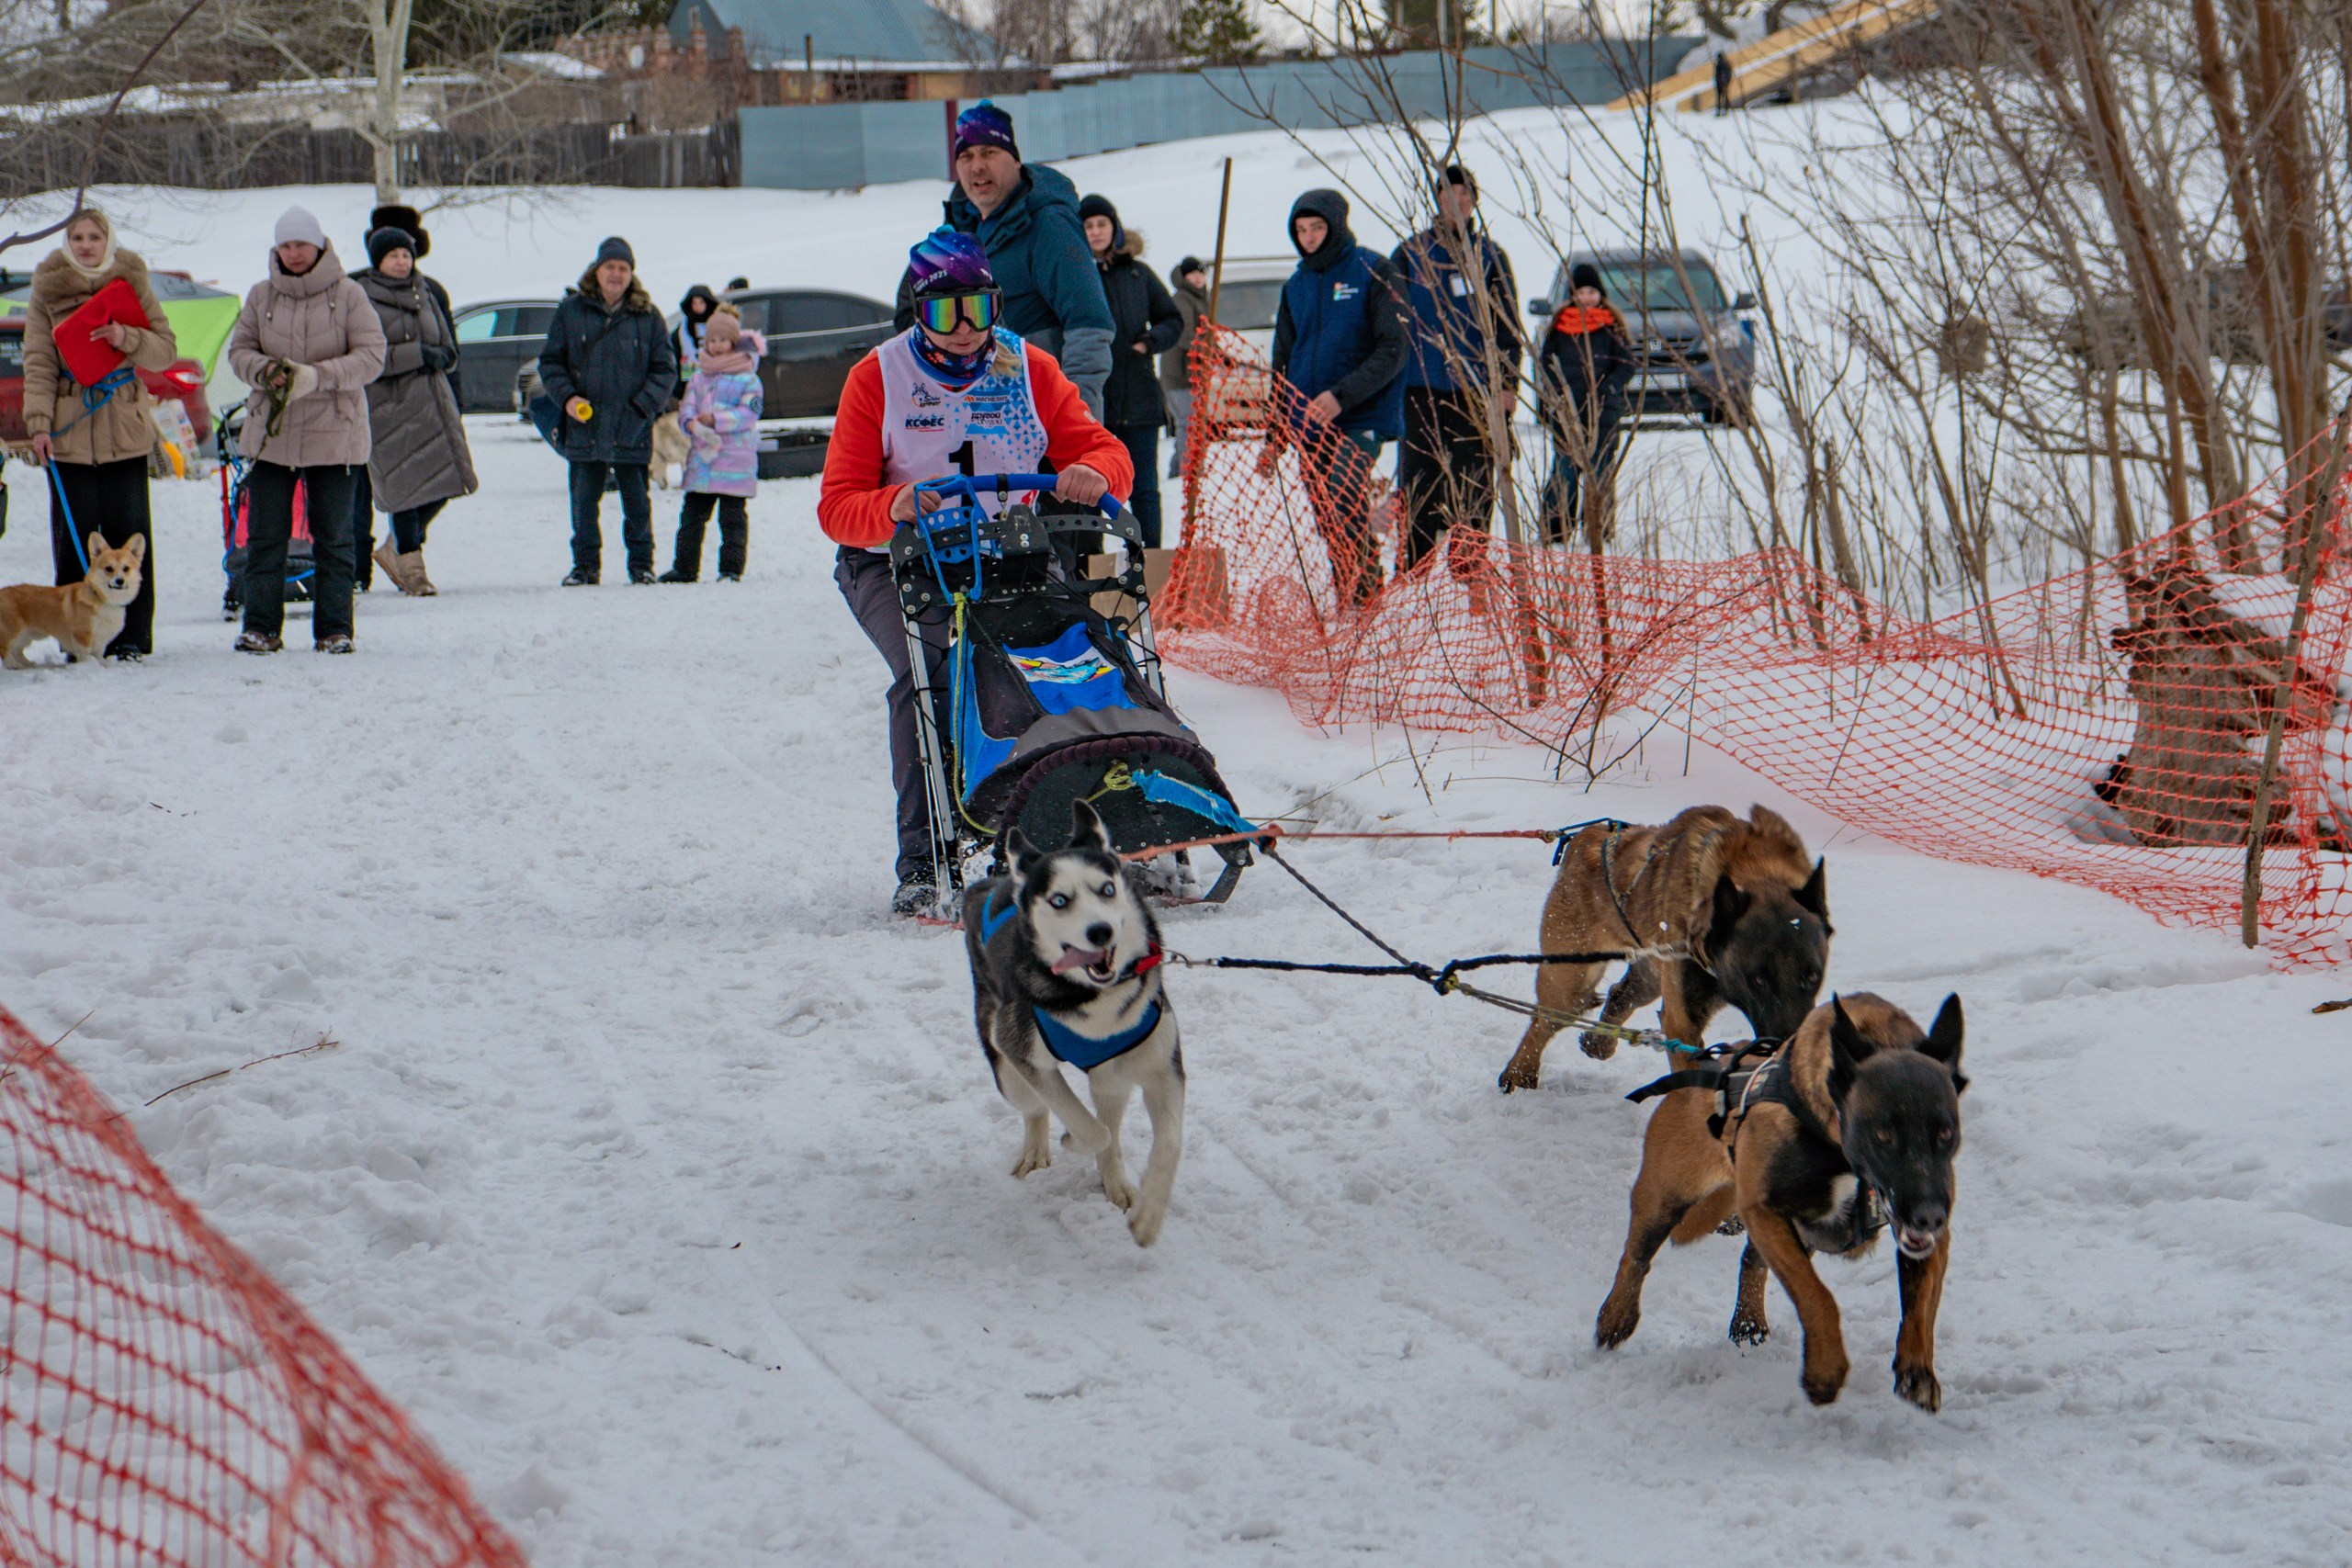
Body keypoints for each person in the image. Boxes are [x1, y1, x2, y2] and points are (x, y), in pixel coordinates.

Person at [821, 230, 1133, 918]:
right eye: (943, 313)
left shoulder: (1028, 366)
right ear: (917, 312)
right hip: (897, 559)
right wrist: (892, 504)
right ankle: (925, 857)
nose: (964, 330)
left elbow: (1106, 452)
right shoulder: (877, 376)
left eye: (978, 308)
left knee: (1079, 653)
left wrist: (1093, 472)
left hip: (1008, 547)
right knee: (927, 670)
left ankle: (1115, 822)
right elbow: (837, 506)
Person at [226, 205, 386, 654]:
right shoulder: (261, 296)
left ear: (318, 246)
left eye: (301, 244)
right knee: (264, 537)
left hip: (334, 433)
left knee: (335, 537)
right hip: (272, 436)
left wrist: (317, 376)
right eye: (286, 244)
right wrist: (265, 371)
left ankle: (335, 629)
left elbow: (372, 356)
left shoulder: (350, 294)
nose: (294, 253)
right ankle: (260, 627)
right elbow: (238, 352)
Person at [21, 208, 177, 661]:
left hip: (123, 428)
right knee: (74, 542)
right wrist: (39, 425)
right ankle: (78, 640)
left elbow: (164, 351)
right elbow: (38, 361)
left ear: (108, 241)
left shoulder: (132, 282)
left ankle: (132, 639)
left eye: (94, 236)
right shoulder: (47, 290)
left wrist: (127, 336)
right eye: (77, 237)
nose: (85, 244)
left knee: (130, 536)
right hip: (69, 430)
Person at [891, 101, 1115, 419]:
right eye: (966, 157)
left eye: (989, 152)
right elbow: (908, 310)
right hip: (979, 419)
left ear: (1015, 160)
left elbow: (1090, 325)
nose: (977, 166)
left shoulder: (1048, 224)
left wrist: (1076, 416)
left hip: (1040, 417)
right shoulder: (960, 231)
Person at [1271, 188, 1407, 607]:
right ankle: (1350, 590)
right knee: (1326, 512)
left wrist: (1341, 397)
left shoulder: (1373, 269)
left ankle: (1366, 597)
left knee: (1343, 492)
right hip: (1310, 421)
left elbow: (1393, 349)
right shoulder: (1296, 285)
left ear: (1336, 226)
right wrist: (1275, 431)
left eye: (1316, 227)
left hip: (1362, 413)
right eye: (1301, 230)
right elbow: (1282, 362)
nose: (1309, 237)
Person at [1391, 165, 1521, 574]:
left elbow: (1508, 326)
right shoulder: (1411, 253)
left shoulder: (1491, 257)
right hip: (1420, 388)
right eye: (1448, 192)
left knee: (1475, 480)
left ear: (1475, 200)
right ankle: (1415, 569)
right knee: (1420, 481)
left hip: (1476, 391)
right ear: (1437, 199)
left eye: (1465, 192)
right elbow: (1390, 323)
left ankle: (1470, 570)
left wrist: (1508, 384)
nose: (1457, 199)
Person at [537, 236, 677, 586]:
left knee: (637, 504)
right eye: (610, 267)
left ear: (632, 273)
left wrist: (643, 407)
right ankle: (585, 567)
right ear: (597, 270)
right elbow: (551, 363)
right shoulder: (571, 310)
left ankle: (641, 566)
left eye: (623, 268)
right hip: (585, 423)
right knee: (583, 502)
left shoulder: (647, 315)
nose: (616, 274)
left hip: (631, 423)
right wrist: (568, 398)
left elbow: (665, 370)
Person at [351, 225, 475, 596]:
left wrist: (445, 357)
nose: (402, 262)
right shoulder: (362, 298)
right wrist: (417, 355)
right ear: (378, 261)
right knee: (404, 489)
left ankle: (395, 548)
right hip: (388, 406)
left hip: (433, 402)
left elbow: (446, 341)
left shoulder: (427, 291)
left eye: (406, 254)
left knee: (453, 480)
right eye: (394, 256)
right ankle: (413, 570)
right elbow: (364, 356)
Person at [1078, 195, 1182, 548]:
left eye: (1101, 224)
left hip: (1139, 398)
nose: (1095, 232)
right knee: (1090, 491)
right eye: (1088, 226)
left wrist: (1148, 343)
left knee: (1144, 490)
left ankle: (1147, 562)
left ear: (1115, 228)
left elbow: (1172, 319)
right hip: (1093, 403)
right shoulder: (1076, 276)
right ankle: (1089, 572)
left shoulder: (1139, 274)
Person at [659, 303, 762, 582]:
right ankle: (685, 567)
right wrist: (690, 423)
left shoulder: (748, 377)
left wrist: (717, 420)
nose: (716, 346)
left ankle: (730, 569)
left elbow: (749, 412)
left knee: (732, 520)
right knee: (691, 517)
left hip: (734, 462)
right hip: (703, 462)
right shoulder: (699, 376)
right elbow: (687, 407)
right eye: (711, 340)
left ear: (733, 341)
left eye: (722, 340)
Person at [1539, 262, 1636, 544]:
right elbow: (1546, 363)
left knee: (1600, 471)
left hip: (1603, 411)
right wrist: (1558, 392)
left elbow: (1628, 363)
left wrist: (1610, 387)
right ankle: (1557, 530)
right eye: (1580, 292)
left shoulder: (1611, 327)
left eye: (1591, 291)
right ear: (1572, 295)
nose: (1586, 297)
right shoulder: (1559, 328)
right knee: (1565, 470)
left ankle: (1599, 528)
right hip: (1567, 411)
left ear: (1601, 294)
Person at [1160, 256, 1210, 479]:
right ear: (1185, 277)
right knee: (1187, 424)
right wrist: (1209, 352)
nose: (1198, 278)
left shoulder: (1199, 298)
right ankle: (1184, 471)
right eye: (1193, 274)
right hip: (1180, 373)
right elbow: (1185, 334)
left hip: (1194, 373)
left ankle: (1182, 470)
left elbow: (1206, 333)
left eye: (1201, 273)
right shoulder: (1183, 299)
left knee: (1192, 424)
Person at [673, 284, 720, 393]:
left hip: (715, 381)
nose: (698, 306)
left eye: (701, 303)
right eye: (695, 303)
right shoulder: (682, 330)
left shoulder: (717, 325)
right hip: (689, 384)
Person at [1713, 51, 1734, 116]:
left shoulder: (1720, 64)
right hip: (1725, 82)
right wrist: (1727, 81)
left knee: (1720, 97)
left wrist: (1720, 80)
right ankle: (1726, 110)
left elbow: (1718, 74)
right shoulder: (1727, 63)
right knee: (1725, 96)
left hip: (1720, 82)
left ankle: (1720, 111)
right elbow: (1729, 74)